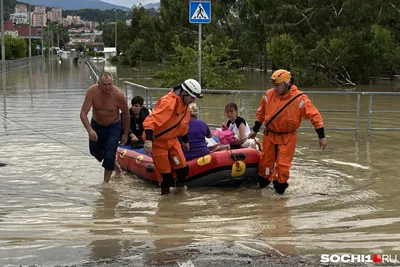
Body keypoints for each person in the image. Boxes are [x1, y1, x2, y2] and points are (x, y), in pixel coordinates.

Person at [248, 69, 328, 194]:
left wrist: (321, 137)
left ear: (286, 84)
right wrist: (255, 130)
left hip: (287, 137)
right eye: (273, 85)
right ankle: (263, 190)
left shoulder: (300, 99)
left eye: (277, 85)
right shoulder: (268, 96)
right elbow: (261, 114)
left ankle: (280, 194)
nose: (274, 88)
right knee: (265, 165)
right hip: (270, 135)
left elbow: (315, 116)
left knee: (283, 167)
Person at [143, 79, 203, 195]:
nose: (193, 101)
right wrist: (149, 140)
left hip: (172, 140)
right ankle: (166, 203)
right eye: (192, 97)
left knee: (183, 170)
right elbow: (151, 121)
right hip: (158, 142)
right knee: (166, 178)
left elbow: (183, 125)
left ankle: (179, 198)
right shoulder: (168, 103)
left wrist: (185, 141)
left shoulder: (185, 105)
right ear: (184, 93)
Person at [80, 71, 130, 183]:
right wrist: (90, 130)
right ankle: (114, 162)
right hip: (97, 125)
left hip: (113, 126)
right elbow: (83, 113)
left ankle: (105, 184)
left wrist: (125, 134)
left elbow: (126, 114)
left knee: (108, 155)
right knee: (95, 152)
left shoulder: (118, 94)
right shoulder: (92, 92)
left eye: (110, 84)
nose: (107, 87)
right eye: (104, 84)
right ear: (98, 83)